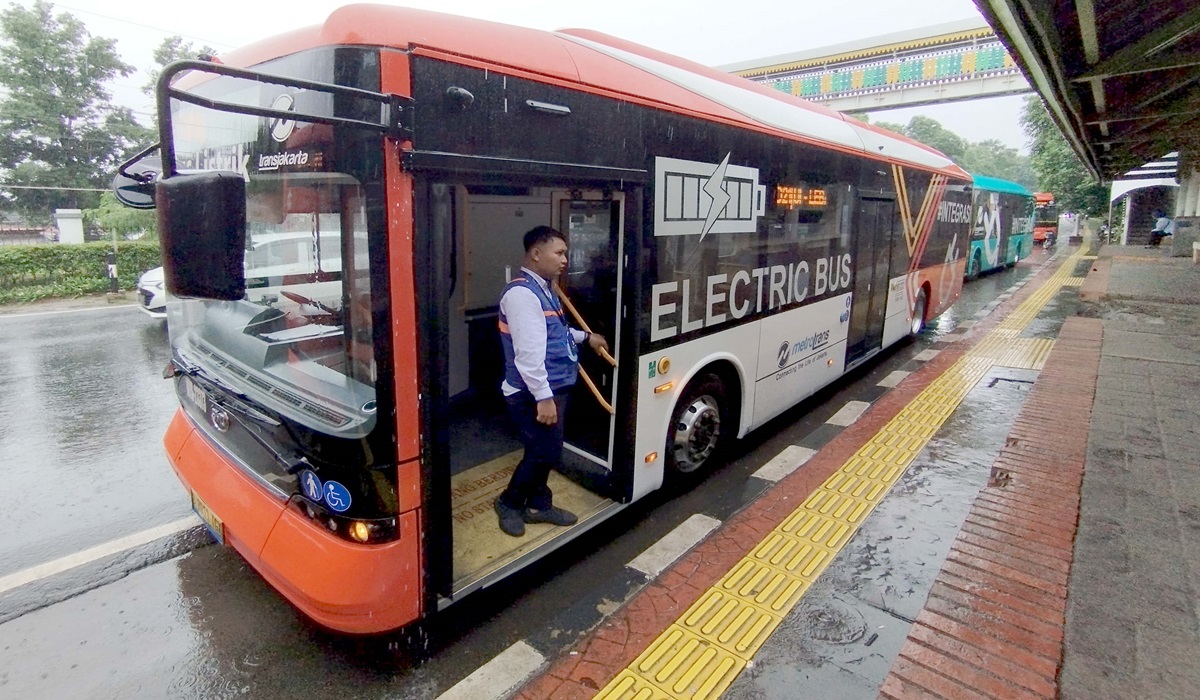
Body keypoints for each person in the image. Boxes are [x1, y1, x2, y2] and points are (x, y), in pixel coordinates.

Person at [494, 226, 609, 537]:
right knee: (543, 452)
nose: (565, 260)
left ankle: (538, 504)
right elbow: (529, 355)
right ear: (535, 253)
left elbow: (554, 333)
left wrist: (587, 338)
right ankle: (509, 502)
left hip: (552, 386)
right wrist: (544, 397)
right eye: (559, 253)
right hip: (531, 392)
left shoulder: (542, 288)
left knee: (547, 450)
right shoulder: (521, 294)